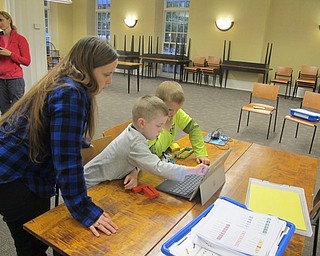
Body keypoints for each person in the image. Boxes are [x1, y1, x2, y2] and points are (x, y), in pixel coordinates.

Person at [0, 36, 119, 256]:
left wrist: (74, 138)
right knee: (32, 245)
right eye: (107, 74)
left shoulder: (65, 80)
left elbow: (48, 123)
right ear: (88, 69)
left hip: (15, 167)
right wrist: (84, 210)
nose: (110, 81)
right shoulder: (71, 93)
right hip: (16, 177)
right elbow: (67, 161)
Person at [84, 95, 209, 189]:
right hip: (89, 186)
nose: (161, 131)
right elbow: (157, 167)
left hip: (103, 182)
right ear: (142, 123)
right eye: (159, 126)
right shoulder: (134, 142)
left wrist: (134, 170)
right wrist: (192, 171)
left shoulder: (134, 132)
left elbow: (137, 157)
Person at [148, 81, 210, 165]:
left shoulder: (175, 113)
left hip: (163, 157)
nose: (173, 114)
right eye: (170, 110)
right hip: (148, 163)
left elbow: (193, 128)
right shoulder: (150, 119)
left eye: (177, 109)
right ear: (158, 103)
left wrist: (201, 154)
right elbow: (154, 152)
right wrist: (166, 128)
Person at [0, 11, 31, 115]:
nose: (0, 23)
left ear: (9, 20)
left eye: (1, 20)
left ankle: (17, 131)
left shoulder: (20, 39)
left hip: (15, 79)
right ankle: (5, 131)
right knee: (4, 112)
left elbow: (27, 61)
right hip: (1, 80)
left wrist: (10, 54)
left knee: (17, 111)